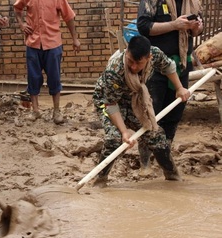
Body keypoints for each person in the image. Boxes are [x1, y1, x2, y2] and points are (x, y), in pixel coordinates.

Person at [92, 35, 190, 187]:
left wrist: (179, 88)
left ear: (148, 58)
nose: (133, 67)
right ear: (127, 53)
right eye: (130, 61)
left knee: (156, 136)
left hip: (133, 99)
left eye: (138, 63)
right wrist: (125, 131)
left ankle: (172, 177)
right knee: (114, 139)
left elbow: (168, 66)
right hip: (105, 101)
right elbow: (111, 104)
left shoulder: (155, 54)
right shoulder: (115, 69)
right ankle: (100, 181)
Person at [136, 0, 203, 174]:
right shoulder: (152, 1)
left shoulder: (192, 2)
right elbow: (143, 27)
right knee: (151, 113)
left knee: (174, 113)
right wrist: (174, 25)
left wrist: (196, 28)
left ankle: (164, 158)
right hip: (155, 65)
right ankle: (144, 163)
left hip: (181, 63)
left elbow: (196, 32)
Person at [13, 0, 81, 124]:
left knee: (54, 78)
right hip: (33, 44)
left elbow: (69, 17)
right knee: (33, 78)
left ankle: (56, 111)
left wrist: (75, 39)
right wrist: (21, 24)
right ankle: (35, 111)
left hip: (53, 44)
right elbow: (17, 9)